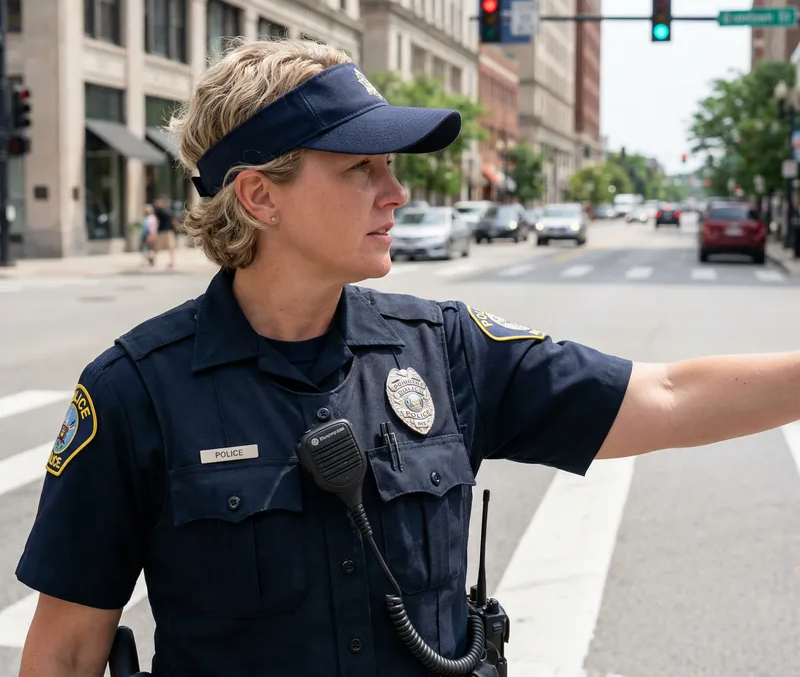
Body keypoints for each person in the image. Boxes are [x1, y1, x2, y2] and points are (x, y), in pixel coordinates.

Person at [15, 39, 800, 677]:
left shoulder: (446, 349)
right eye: (362, 167)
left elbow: (667, 395)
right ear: (259, 196)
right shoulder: (135, 391)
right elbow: (67, 651)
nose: (396, 194)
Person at [153, 195, 177, 269]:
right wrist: (158, 204)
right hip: (161, 231)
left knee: (171, 246)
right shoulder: (159, 210)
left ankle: (172, 262)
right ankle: (153, 258)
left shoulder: (169, 210)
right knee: (158, 247)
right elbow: (155, 212)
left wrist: (175, 226)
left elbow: (172, 220)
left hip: (169, 231)